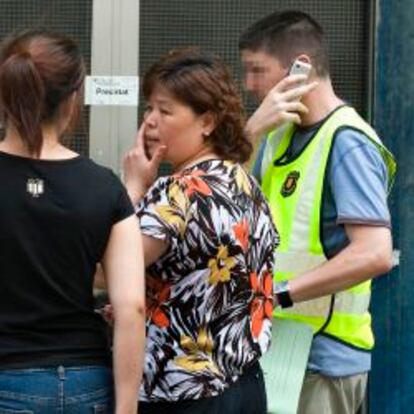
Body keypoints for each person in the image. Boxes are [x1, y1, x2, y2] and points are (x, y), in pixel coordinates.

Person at [239, 10, 396, 414]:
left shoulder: (347, 141)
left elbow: (374, 253)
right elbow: (222, 202)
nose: (249, 84)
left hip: (326, 359)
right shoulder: (276, 137)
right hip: (281, 350)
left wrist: (281, 295)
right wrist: (250, 132)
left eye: (257, 70)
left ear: (299, 67)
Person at [122, 48, 279, 414]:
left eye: (165, 110)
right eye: (148, 108)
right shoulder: (245, 182)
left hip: (182, 392)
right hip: (245, 384)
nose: (150, 122)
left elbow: (109, 270)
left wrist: (132, 189)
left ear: (207, 121)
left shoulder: (177, 191)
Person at [0, 29, 145, 414]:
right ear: (73, 100)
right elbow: (131, 308)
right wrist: (127, 408)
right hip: (87, 381)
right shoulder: (103, 187)